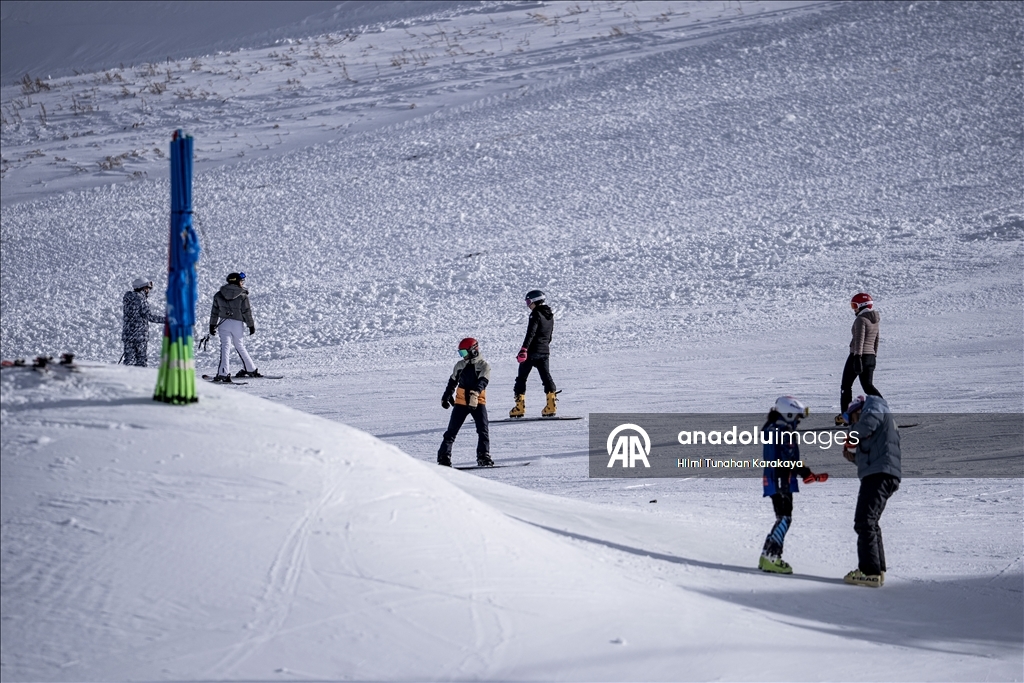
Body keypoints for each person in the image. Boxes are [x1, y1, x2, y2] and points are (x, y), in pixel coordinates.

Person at [758, 396, 828, 575]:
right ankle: (771, 558)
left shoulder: (773, 428)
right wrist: (805, 473)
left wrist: (805, 474)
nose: (798, 421)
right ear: (788, 414)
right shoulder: (783, 431)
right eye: (797, 417)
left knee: (782, 517)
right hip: (781, 478)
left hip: (774, 478)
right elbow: (788, 460)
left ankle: (767, 554)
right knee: (784, 518)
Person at [842, 394, 901, 587]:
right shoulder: (876, 419)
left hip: (879, 475)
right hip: (883, 473)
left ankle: (869, 572)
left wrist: (851, 435)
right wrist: (853, 457)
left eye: (853, 418)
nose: (852, 423)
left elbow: (866, 425)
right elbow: (870, 453)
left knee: (864, 521)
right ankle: (878, 570)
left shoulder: (874, 406)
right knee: (871, 522)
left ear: (858, 410)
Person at [438, 338, 493, 467]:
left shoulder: (483, 366)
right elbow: (452, 382)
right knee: (451, 431)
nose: (463, 356)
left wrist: (475, 394)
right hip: (461, 403)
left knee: (483, 430)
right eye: (461, 354)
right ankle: (443, 457)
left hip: (478, 402)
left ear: (473, 351)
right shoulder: (460, 365)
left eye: (464, 353)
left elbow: (483, 381)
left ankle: (483, 456)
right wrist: (446, 396)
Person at [509, 289, 558, 418]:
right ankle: (551, 406)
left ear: (535, 301)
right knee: (546, 378)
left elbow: (530, 333)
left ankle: (519, 408)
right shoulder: (549, 316)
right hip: (544, 351)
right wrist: (544, 347)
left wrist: (524, 349)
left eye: (529, 302)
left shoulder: (535, 314)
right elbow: (549, 336)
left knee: (521, 378)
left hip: (532, 352)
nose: (528, 305)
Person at [837, 292, 883, 424]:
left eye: (855, 305)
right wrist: (874, 356)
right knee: (868, 386)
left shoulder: (861, 319)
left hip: (857, 356)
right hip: (870, 357)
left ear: (862, 305)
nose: (854, 309)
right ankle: (883, 410)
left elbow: (859, 340)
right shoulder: (875, 319)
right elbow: (876, 340)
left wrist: (857, 357)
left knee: (846, 386)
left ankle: (847, 417)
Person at [208, 272, 261, 382]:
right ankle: (251, 369)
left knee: (225, 347)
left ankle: (223, 373)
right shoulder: (243, 295)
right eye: (241, 281)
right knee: (239, 345)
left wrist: (212, 325)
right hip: (237, 324)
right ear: (237, 281)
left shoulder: (218, 294)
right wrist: (251, 325)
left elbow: (214, 312)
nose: (242, 283)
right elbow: (246, 312)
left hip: (224, 323)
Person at [121, 277, 166, 367]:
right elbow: (148, 316)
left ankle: (125, 378)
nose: (148, 291)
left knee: (129, 361)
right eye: (147, 288)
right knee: (140, 362)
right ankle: (138, 380)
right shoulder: (141, 299)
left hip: (128, 336)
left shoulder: (128, 299)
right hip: (139, 337)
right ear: (143, 288)